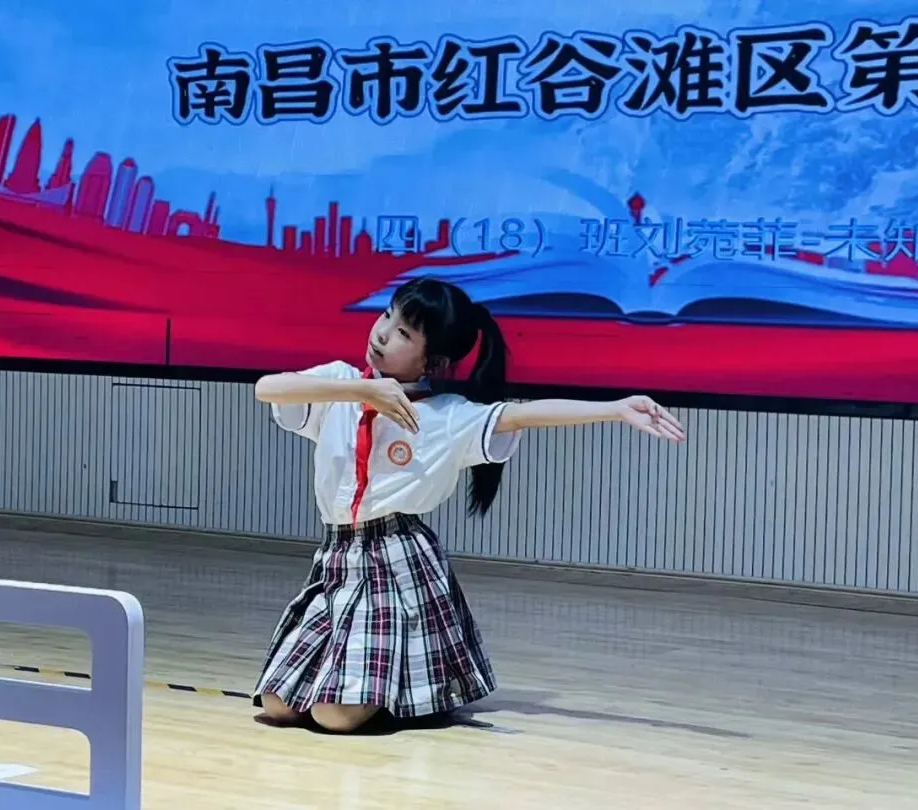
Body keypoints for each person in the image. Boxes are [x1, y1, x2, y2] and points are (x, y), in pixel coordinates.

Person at [251, 276, 685, 734]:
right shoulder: (339, 383)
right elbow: (267, 387)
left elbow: (523, 414)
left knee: (334, 715)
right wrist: (363, 392)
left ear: (432, 361)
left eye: (404, 333)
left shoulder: (447, 415)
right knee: (278, 704)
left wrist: (615, 408)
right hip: (338, 560)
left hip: (394, 565)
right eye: (386, 316)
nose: (382, 333)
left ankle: (410, 695)